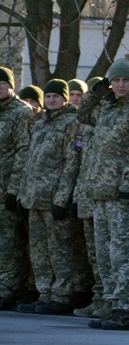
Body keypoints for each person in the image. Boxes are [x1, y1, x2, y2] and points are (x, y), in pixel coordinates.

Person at [75, 58, 129, 330]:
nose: (120, 85)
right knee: (104, 251)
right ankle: (111, 303)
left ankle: (124, 309)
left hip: (121, 192)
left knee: (120, 251)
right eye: (116, 81)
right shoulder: (106, 107)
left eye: (125, 80)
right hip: (99, 191)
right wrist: (95, 92)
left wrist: (128, 184)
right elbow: (82, 115)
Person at [13, 79, 81, 315]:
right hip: (34, 197)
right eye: (48, 96)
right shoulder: (41, 124)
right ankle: (44, 293)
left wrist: (62, 197)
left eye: (56, 96)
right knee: (39, 249)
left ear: (64, 99)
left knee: (59, 248)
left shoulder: (71, 123)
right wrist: (22, 193)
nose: (51, 100)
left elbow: (72, 163)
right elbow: (30, 161)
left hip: (53, 198)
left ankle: (61, 295)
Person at [1, 67, 35, 310]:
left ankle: (8, 288)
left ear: (11, 86)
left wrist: (14, 189)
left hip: (7, 187)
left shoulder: (21, 113)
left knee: (8, 241)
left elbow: (24, 152)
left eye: (2, 84)